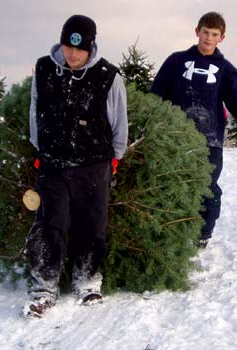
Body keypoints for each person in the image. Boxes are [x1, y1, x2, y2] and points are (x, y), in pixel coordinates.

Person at [21, 14, 128, 317]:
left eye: (79, 49)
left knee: (92, 226)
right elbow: (35, 110)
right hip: (53, 164)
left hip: (94, 165)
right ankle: (44, 288)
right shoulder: (45, 69)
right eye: (68, 46)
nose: (72, 54)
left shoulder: (108, 76)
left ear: (91, 47)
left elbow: (119, 121)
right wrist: (39, 147)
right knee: (50, 225)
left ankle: (88, 282)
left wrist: (115, 159)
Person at [151, 12, 237, 248]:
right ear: (197, 31)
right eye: (205, 32)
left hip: (209, 140)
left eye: (214, 34)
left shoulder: (226, 70)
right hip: (174, 138)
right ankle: (169, 231)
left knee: (208, 187)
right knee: (170, 184)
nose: (209, 38)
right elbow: (157, 95)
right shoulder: (176, 61)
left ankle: (203, 234)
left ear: (222, 38)